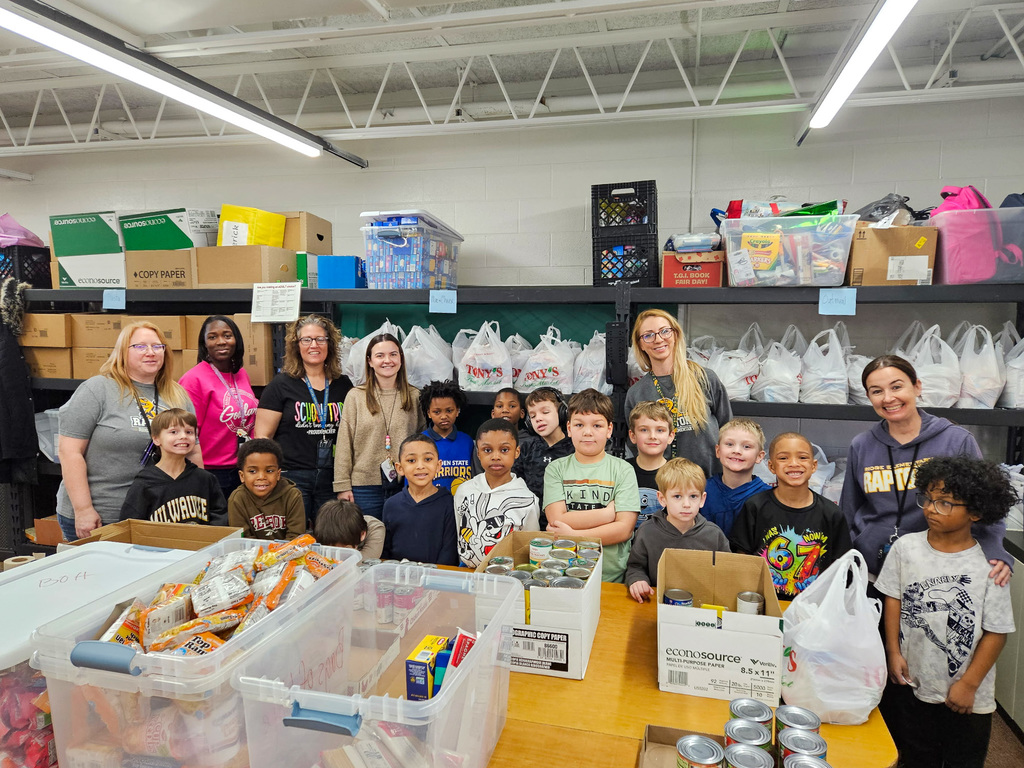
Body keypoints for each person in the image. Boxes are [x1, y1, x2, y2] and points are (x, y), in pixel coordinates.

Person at [876, 456, 1016, 768]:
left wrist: (969, 685)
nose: (929, 508)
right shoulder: (905, 548)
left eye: (945, 503)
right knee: (913, 757)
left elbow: (997, 632)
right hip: (913, 683)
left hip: (967, 696)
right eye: (927, 498)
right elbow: (894, 598)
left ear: (976, 512)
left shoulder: (990, 567)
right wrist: (893, 651)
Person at [841, 355, 1011, 585]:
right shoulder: (862, 445)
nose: (888, 398)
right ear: (869, 397)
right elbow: (849, 509)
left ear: (917, 386)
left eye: (897, 386)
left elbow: (985, 502)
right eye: (876, 391)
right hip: (870, 572)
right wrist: (846, 556)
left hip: (936, 573)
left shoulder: (955, 440)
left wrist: (993, 546)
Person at [57, 320, 201, 541]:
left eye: (158, 346)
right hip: (103, 515)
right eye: (140, 346)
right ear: (123, 352)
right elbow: (69, 452)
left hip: (159, 513)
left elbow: (192, 452)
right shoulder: (97, 389)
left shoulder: (177, 395)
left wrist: (198, 499)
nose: (151, 353)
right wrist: (83, 510)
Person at [254, 314, 352, 526]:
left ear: (330, 345)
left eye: (320, 339)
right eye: (306, 340)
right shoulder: (280, 385)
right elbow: (262, 437)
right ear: (296, 346)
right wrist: (270, 477)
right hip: (293, 478)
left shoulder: (344, 385)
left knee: (330, 537)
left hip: (333, 478)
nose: (313, 345)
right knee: (293, 537)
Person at [730, 432, 852, 600]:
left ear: (814, 465)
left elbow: (841, 568)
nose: (794, 464)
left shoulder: (831, 514)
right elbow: (741, 560)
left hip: (812, 611)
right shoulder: (755, 507)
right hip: (765, 606)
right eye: (783, 458)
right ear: (771, 467)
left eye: (802, 457)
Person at [543, 389, 641, 583]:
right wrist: (606, 515)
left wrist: (574, 535)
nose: (588, 432)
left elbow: (624, 530)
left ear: (609, 429)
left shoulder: (623, 470)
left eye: (597, 425)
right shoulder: (555, 469)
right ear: (569, 428)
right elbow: (556, 519)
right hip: (564, 571)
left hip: (611, 576)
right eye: (579, 425)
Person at [625, 308, 732, 477]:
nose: (658, 339)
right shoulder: (636, 393)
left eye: (664, 331)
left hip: (711, 482)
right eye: (648, 335)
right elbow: (637, 445)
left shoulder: (705, 378)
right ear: (641, 345)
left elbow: (728, 429)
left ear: (675, 335)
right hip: (665, 487)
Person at [334, 333, 422, 520]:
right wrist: (342, 486)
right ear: (370, 361)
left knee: (400, 541)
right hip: (363, 488)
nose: (387, 360)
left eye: (393, 354)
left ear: (401, 359)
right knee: (367, 541)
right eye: (380, 355)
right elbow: (344, 443)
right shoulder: (355, 396)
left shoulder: (415, 396)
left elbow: (422, 442)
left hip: (405, 484)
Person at [625, 458, 730, 603]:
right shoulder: (647, 532)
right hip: (656, 602)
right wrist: (638, 580)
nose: (686, 504)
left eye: (693, 496)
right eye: (677, 496)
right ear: (662, 499)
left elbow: (727, 573)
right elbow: (635, 567)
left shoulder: (714, 535)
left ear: (702, 499)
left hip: (701, 606)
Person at [179, 315, 257, 497]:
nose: (221, 342)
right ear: (204, 343)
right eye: (212, 337)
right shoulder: (193, 379)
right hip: (212, 471)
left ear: (236, 340)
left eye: (227, 335)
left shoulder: (241, 374)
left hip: (244, 467)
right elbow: (186, 432)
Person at [454, 418, 540, 567]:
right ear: (478, 453)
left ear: (517, 451)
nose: (495, 456)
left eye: (504, 450)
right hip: (467, 573)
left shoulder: (527, 500)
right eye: (487, 450)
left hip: (508, 578)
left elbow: (529, 548)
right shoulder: (464, 490)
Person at [120, 409, 227, 525]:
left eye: (189, 432)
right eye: (174, 432)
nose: (183, 436)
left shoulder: (206, 479)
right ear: (156, 439)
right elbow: (130, 525)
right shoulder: (145, 483)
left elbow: (220, 518)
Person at [382, 434, 458, 565]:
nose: (420, 466)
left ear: (438, 465)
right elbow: (385, 551)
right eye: (411, 461)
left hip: (436, 579)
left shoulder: (449, 503)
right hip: (399, 578)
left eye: (428, 459)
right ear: (400, 468)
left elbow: (449, 552)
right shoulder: (391, 504)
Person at [702, 418, 771, 538]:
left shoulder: (767, 497)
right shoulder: (702, 490)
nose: (737, 451)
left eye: (746, 446)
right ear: (718, 451)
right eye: (729, 444)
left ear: (759, 456)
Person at [515, 387, 574, 524]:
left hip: (568, 523)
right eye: (533, 416)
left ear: (562, 413)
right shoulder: (527, 448)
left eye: (545, 412)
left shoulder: (575, 447)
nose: (538, 419)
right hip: (532, 523)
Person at [227, 438, 305, 541]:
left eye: (269, 471)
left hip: (287, 554)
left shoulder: (292, 495)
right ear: (242, 476)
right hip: (252, 554)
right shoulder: (237, 499)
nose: (261, 477)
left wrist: (277, 556)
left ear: (278, 474)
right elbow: (242, 540)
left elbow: (295, 537)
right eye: (253, 471)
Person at [626, 401, 675, 531]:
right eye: (644, 430)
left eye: (660, 430)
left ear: (670, 436)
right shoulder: (621, 470)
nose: (652, 436)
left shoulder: (677, 474)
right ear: (633, 436)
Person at [418, 380, 474, 494]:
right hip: (430, 504)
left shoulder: (467, 441)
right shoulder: (419, 442)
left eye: (449, 410)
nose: (444, 416)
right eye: (437, 412)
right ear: (429, 413)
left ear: (457, 410)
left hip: (462, 504)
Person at [314, 499, 385, 560]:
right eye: (332, 550)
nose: (338, 557)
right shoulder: (323, 530)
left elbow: (365, 561)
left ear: (362, 534)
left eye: (345, 550)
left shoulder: (375, 528)